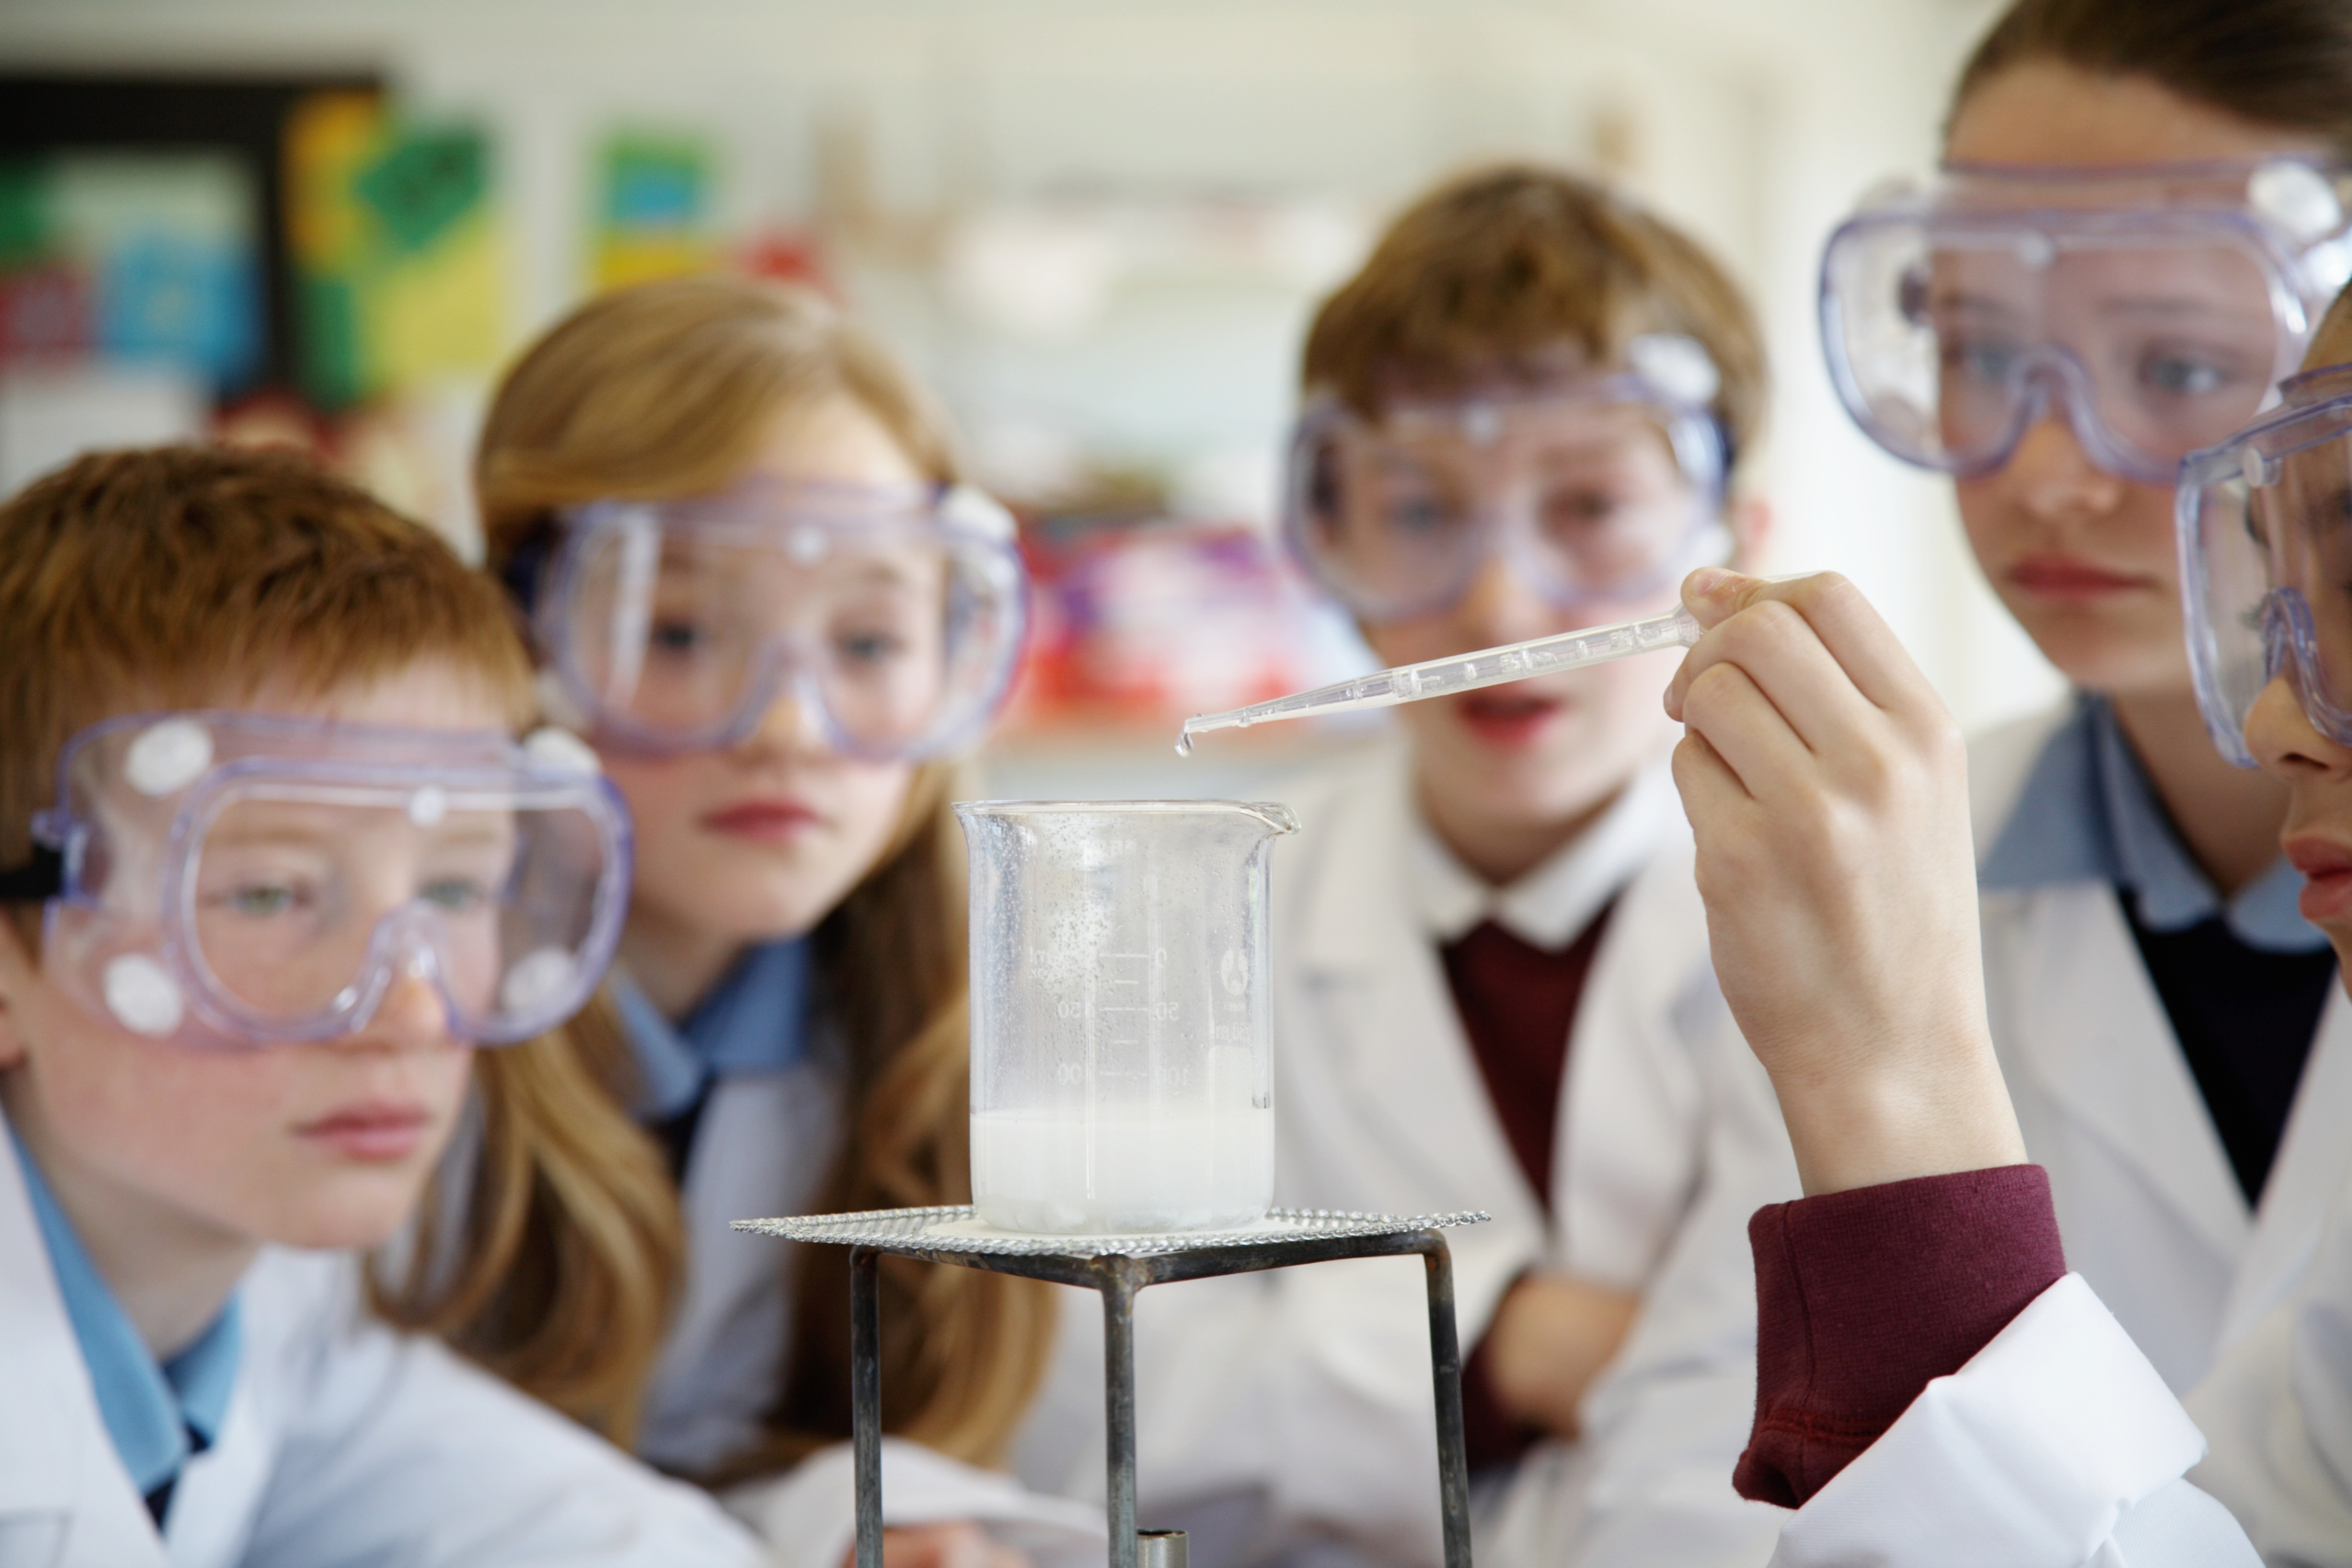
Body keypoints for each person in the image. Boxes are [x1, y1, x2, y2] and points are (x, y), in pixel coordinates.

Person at [1562, 2, 2352, 1557]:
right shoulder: (1855, 861)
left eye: (2181, 361)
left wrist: (1898, 1107)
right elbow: (1679, 1481)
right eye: (1986, 352)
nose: (2051, 468)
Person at [1005, 163, 1786, 1567]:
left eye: (1590, 507)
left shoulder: (1824, 917)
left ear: (1732, 540)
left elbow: (1806, 1414)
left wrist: (1324, 1351)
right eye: (1421, 514)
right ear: (1328, 538)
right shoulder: (1195, 919)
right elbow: (1080, 1402)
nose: (1498, 602)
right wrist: (1495, 1345)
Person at [0, 445, 762, 1566]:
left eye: (456, 889)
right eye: (268, 893)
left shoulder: (273, 1308)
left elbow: (591, 1534)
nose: (410, 1010)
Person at [472, 275, 1094, 1568]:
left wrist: (875, 1529)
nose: (787, 731)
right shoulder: (409, 1009)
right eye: (682, 629)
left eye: (867, 645)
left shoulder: (934, 1020)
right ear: (525, 629)